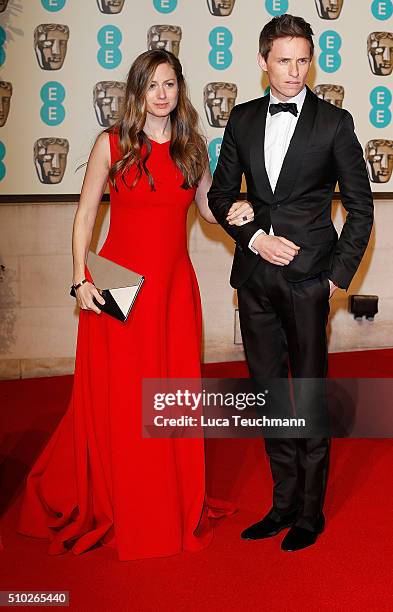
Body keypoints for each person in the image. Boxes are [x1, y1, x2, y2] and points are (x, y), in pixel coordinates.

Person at [17, 49, 254, 561]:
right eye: (152, 86)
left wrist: (236, 209)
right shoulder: (113, 144)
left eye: (169, 84)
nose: (162, 94)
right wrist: (79, 277)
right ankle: (122, 499)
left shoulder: (193, 150)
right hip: (118, 287)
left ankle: (167, 495)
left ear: (179, 88)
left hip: (172, 292)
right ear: (137, 93)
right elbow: (84, 216)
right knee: (123, 402)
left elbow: (208, 214)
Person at [208, 14, 373, 552]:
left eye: (303, 60)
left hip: (309, 282)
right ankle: (281, 504)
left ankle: (310, 512)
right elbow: (219, 195)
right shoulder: (243, 118)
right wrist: (255, 237)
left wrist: (333, 280)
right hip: (254, 278)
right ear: (262, 62)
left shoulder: (334, 123)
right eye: (284, 60)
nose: (295, 71)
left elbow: (360, 210)